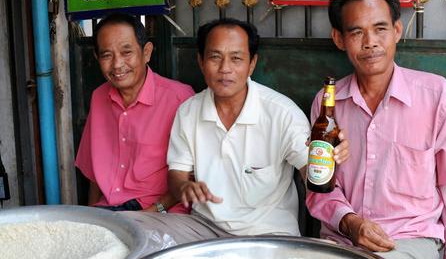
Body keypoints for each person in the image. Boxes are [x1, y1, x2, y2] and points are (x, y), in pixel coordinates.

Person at [121, 18, 348, 245]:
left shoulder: (282, 113)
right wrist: (184, 187)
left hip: (268, 233)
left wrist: (326, 164)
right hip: (204, 228)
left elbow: (309, 174)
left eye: (236, 58)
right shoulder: (189, 111)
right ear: (201, 61)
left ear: (252, 64)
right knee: (127, 227)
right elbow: (177, 174)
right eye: (215, 57)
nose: (225, 69)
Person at [306, 0, 446, 259]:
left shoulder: (437, 96)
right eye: (356, 32)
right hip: (340, 241)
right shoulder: (328, 103)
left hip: (408, 241)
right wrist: (349, 222)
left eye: (380, 29)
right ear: (339, 39)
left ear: (397, 31)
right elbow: (319, 184)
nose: (370, 42)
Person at [75, 13, 194, 213]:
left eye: (126, 52)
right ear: (97, 58)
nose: (117, 64)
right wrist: (92, 216)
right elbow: (94, 172)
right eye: (106, 55)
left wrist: (153, 211)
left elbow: (191, 175)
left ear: (146, 52)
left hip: (160, 213)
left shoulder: (179, 98)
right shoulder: (99, 97)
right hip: (110, 210)